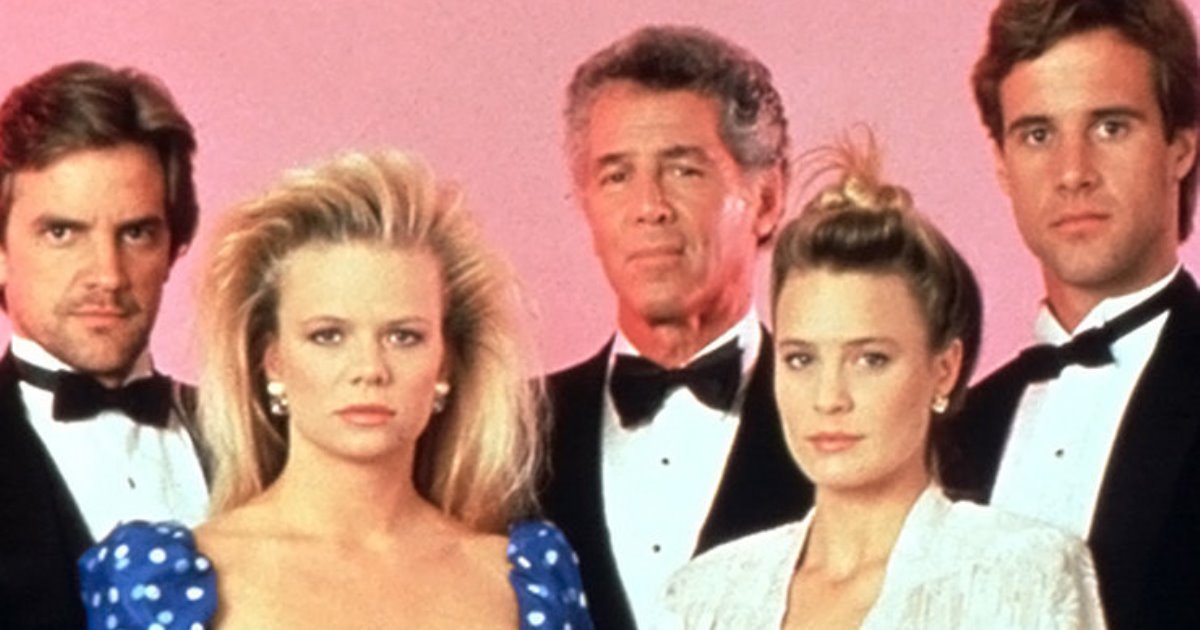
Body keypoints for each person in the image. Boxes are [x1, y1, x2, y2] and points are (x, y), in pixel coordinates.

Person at [78, 151, 593, 629]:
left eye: (403, 336)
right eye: (328, 336)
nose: (369, 369)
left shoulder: (521, 581)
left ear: (445, 363)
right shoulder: (163, 583)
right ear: (273, 361)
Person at [660, 137, 1105, 629]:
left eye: (870, 359)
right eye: (801, 359)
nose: (829, 398)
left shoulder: (1024, 575)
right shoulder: (705, 598)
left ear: (944, 369)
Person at [541, 25, 813, 628]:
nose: (649, 207)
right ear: (586, 204)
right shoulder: (513, 432)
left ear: (768, 198)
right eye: (617, 176)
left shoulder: (837, 420)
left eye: (684, 171)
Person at [941, 1, 1200, 626]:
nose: (1073, 172)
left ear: (1181, 146)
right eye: (1038, 134)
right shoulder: (953, 431)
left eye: (1110, 127)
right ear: (1002, 164)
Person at [0, 61, 208, 627]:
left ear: (173, 248)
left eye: (136, 233)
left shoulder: (253, 439)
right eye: (62, 232)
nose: (108, 275)